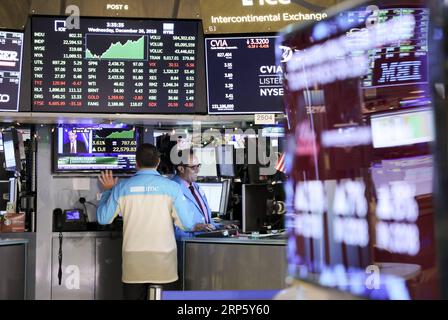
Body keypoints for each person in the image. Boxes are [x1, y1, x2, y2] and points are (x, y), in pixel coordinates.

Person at [96, 143, 194, 300]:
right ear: (158, 162)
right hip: (164, 263)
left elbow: (103, 218)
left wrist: (108, 191)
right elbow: (188, 224)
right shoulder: (172, 188)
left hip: (133, 264)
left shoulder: (121, 188)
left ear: (136, 163)